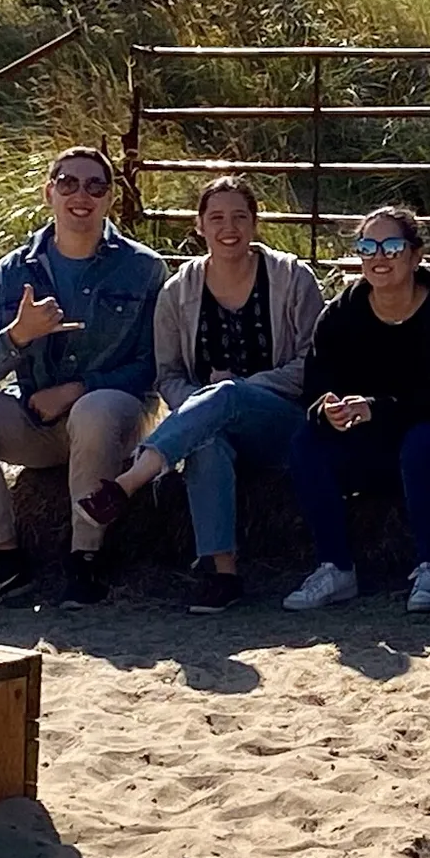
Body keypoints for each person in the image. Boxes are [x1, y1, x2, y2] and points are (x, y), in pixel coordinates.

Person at [74, 176, 325, 614]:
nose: (229, 228)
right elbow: (167, 374)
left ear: (255, 223)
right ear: (200, 226)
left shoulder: (292, 278)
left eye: (239, 217)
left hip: (282, 422)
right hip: (208, 419)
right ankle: (221, 574)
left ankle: (129, 482)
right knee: (206, 440)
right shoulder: (178, 291)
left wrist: (241, 388)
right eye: (217, 218)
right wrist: (201, 400)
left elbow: (313, 363)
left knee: (226, 396)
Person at [0, 147, 165, 611]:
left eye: (95, 186)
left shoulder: (144, 269)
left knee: (94, 409)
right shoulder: (14, 269)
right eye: (68, 183)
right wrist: (18, 335)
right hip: (34, 420)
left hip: (113, 417)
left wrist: (81, 387)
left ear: (109, 199)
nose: (81, 195)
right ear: (49, 193)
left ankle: (86, 559)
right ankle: (2, 558)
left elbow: (156, 363)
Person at [283, 207, 430, 613]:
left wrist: (379, 409)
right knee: (307, 442)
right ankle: (335, 566)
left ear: (416, 255)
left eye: (392, 246)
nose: (378, 257)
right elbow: (316, 385)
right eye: (368, 247)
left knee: (423, 441)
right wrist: (327, 409)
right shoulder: (340, 314)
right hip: (375, 444)